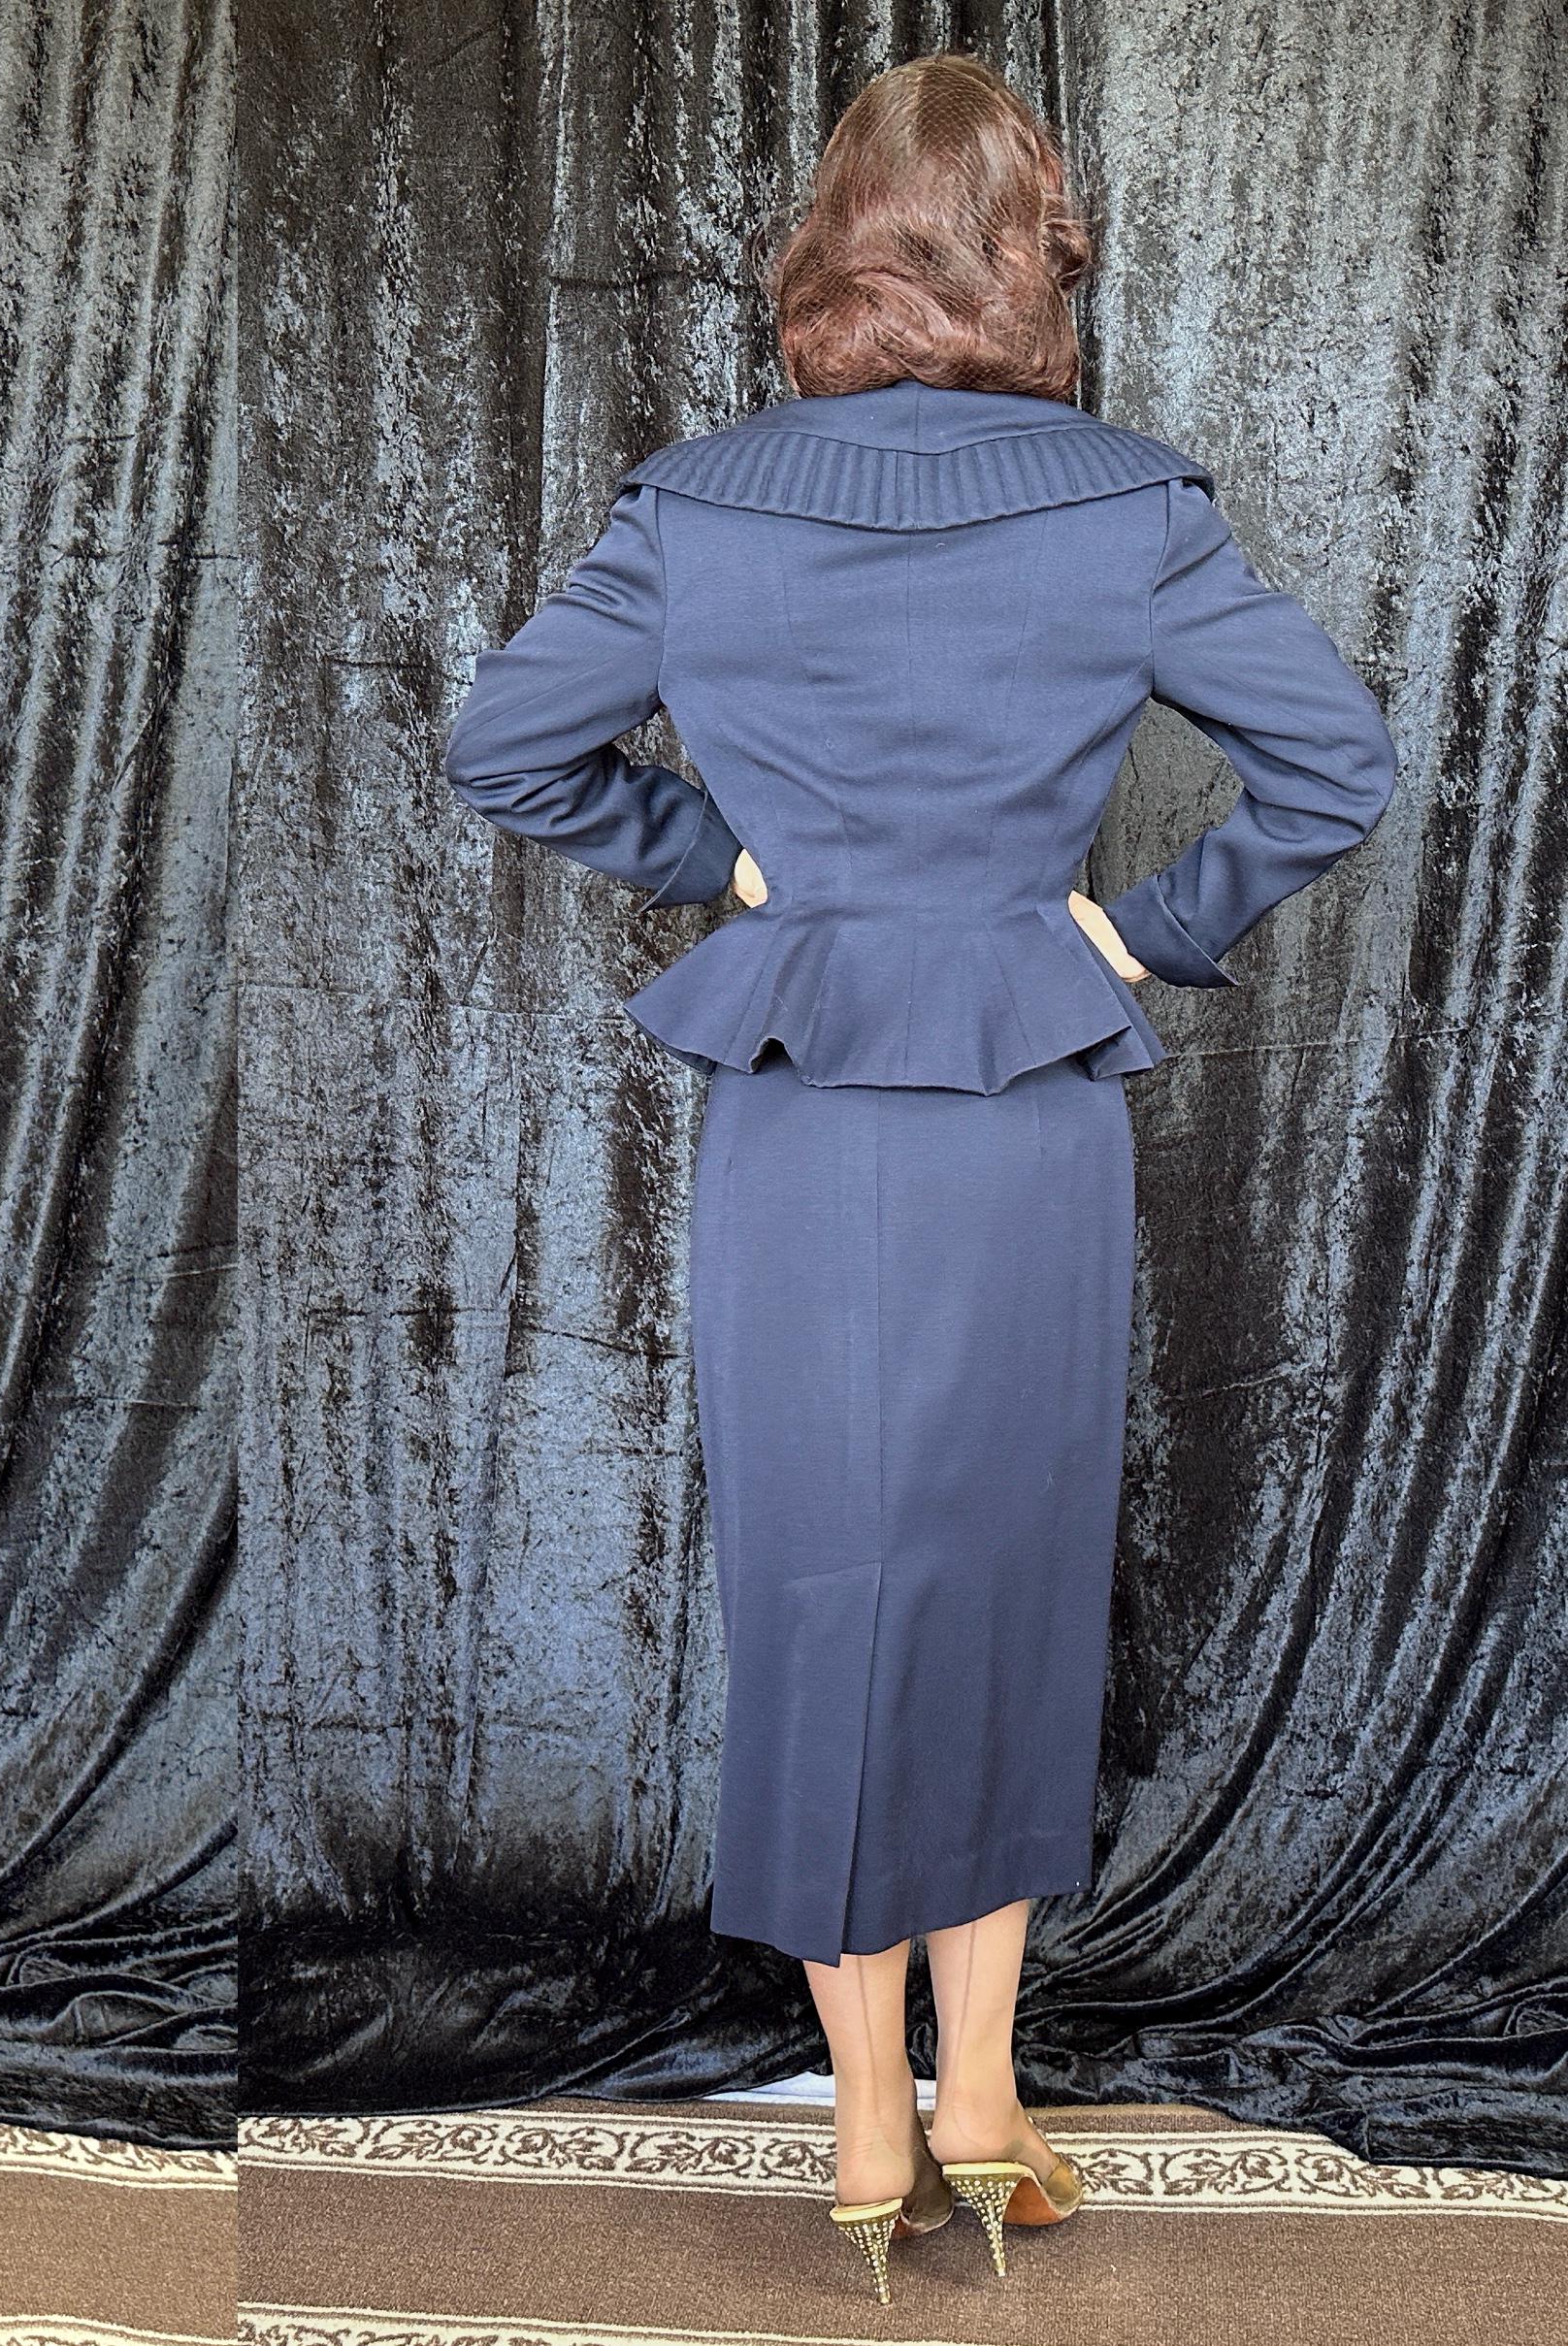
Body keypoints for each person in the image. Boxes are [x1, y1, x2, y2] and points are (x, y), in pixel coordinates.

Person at [441, 51, 1395, 2304]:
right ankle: (982, 2090)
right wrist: (1138, 932)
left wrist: (729, 858)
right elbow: (1334, 761)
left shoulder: (700, 504)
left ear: (830, 247)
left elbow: (509, 745)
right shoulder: (1124, 504)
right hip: (1025, 1106)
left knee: (821, 1594)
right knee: (1008, 1586)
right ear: (1033, 254)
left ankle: (873, 2114)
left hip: (801, 1102)